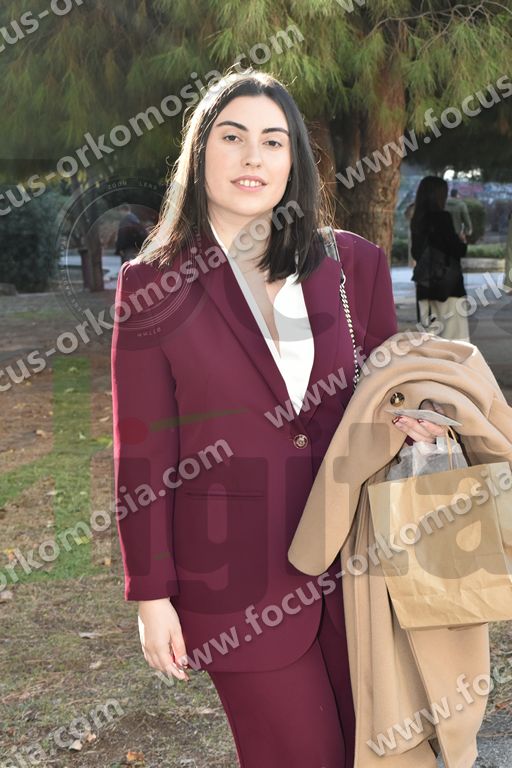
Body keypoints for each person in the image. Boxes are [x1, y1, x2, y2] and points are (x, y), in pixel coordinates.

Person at [110, 71, 445, 768]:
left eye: (272, 141)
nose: (252, 158)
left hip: (361, 570)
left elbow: (391, 392)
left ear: (294, 159)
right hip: (235, 585)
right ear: (200, 154)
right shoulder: (152, 286)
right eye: (232, 138)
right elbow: (142, 453)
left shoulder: (354, 264)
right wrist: (152, 597)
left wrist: (420, 419)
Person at [410, 176, 470, 341]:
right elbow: (455, 250)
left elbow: (416, 253)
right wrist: (462, 242)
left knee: (429, 337)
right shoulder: (443, 217)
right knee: (455, 339)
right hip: (448, 285)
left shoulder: (417, 220)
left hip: (425, 284)